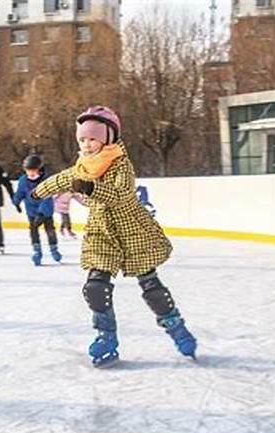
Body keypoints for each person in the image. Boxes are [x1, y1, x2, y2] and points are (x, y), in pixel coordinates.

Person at [31, 105, 197, 367]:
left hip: (131, 230)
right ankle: (106, 336)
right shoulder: (83, 166)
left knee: (151, 287)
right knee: (95, 288)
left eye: (92, 138)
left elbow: (120, 196)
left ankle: (177, 328)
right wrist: (38, 191)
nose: (86, 144)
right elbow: (63, 179)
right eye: (83, 139)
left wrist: (89, 188)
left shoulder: (121, 165)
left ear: (108, 138)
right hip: (101, 232)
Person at [13, 155, 61, 266]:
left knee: (50, 230)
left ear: (39, 169)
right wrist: (16, 202)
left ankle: (54, 249)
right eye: (28, 170)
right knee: (33, 230)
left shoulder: (45, 181)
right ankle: (37, 251)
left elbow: (47, 198)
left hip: (45, 211)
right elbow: (20, 192)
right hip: (31, 210)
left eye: (33, 170)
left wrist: (42, 213)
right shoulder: (23, 180)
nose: (31, 173)